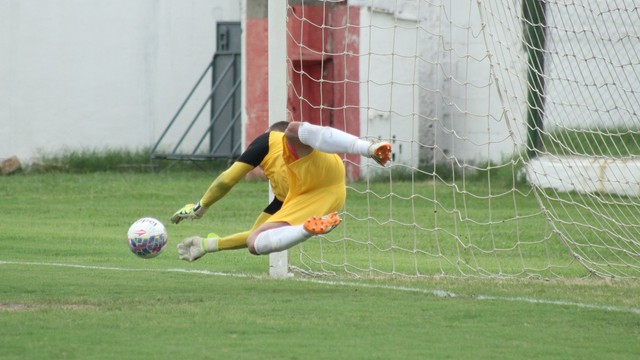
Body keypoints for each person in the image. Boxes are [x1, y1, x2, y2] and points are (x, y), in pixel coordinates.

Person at [172, 121, 392, 261]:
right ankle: (308, 229)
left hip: (320, 175)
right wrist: (207, 244)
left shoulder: (270, 138)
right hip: (329, 195)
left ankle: (368, 147)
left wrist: (201, 206)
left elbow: (227, 180)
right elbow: (251, 236)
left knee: (293, 130)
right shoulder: (282, 195)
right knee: (255, 242)